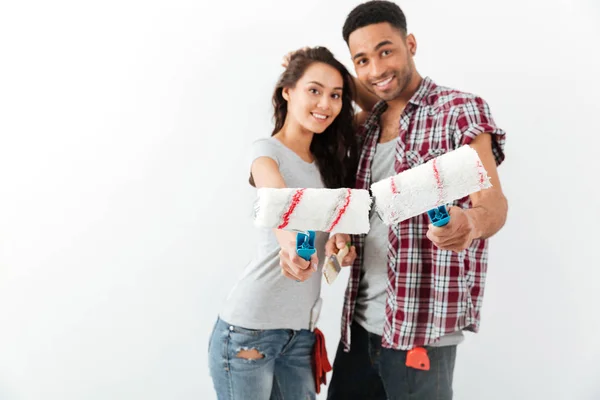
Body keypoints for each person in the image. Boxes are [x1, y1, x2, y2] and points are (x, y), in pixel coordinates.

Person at [278, 2, 508, 399]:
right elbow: (363, 212)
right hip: (359, 328)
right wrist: (343, 239)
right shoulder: (364, 126)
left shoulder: (457, 110)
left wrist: (468, 224)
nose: (377, 69)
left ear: (411, 44)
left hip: (423, 335)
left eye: (386, 51)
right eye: (362, 60)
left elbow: (494, 203)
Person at [208, 47, 358, 400]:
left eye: (336, 95)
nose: (325, 103)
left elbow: (329, 230)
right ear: (286, 91)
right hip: (249, 332)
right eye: (314, 90)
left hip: (301, 334)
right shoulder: (266, 151)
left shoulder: (327, 164)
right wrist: (289, 243)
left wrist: (339, 242)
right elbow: (274, 200)